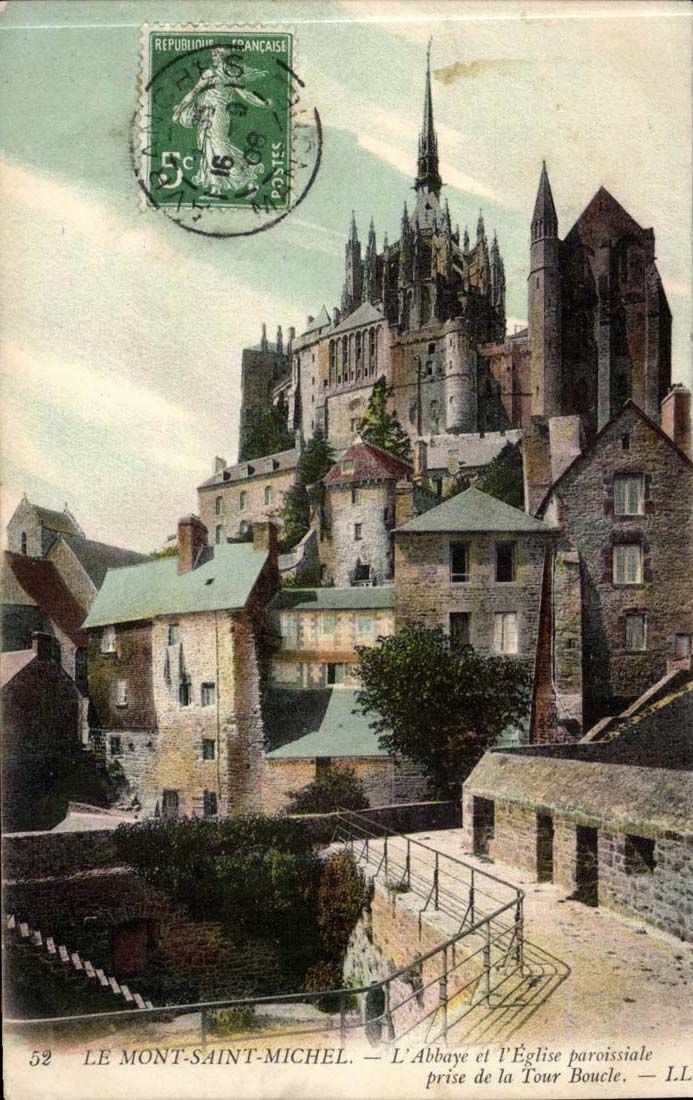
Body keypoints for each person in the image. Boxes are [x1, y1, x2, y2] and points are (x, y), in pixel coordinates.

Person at [173, 48, 272, 196]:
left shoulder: (231, 77)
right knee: (209, 150)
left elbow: (247, 95)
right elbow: (193, 92)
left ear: (225, 58)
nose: (215, 57)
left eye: (218, 55)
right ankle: (215, 188)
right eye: (214, 54)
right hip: (205, 116)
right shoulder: (208, 73)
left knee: (221, 151)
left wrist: (263, 103)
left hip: (219, 116)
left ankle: (247, 182)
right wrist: (179, 110)